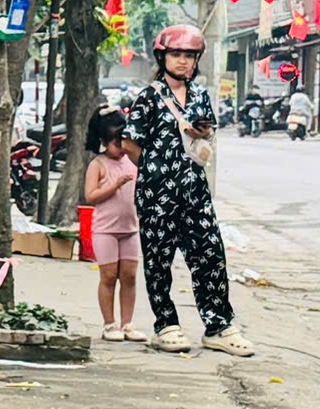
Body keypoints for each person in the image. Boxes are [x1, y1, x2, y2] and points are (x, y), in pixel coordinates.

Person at [122, 25, 252, 355]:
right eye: (176, 54)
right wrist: (156, 171)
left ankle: (219, 325)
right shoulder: (148, 98)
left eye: (189, 55)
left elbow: (205, 135)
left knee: (210, 254)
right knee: (158, 259)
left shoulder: (199, 96)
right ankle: (166, 325)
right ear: (162, 57)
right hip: (156, 195)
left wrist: (199, 136)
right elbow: (129, 143)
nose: (182, 61)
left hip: (195, 191)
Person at [83, 109, 143, 342]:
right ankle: (109, 324)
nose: (121, 149)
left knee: (129, 276)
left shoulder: (132, 162)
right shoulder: (98, 164)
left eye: (123, 142)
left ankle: (127, 322)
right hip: (106, 230)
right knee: (109, 276)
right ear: (104, 142)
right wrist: (115, 185)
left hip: (130, 229)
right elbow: (91, 196)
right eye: (116, 144)